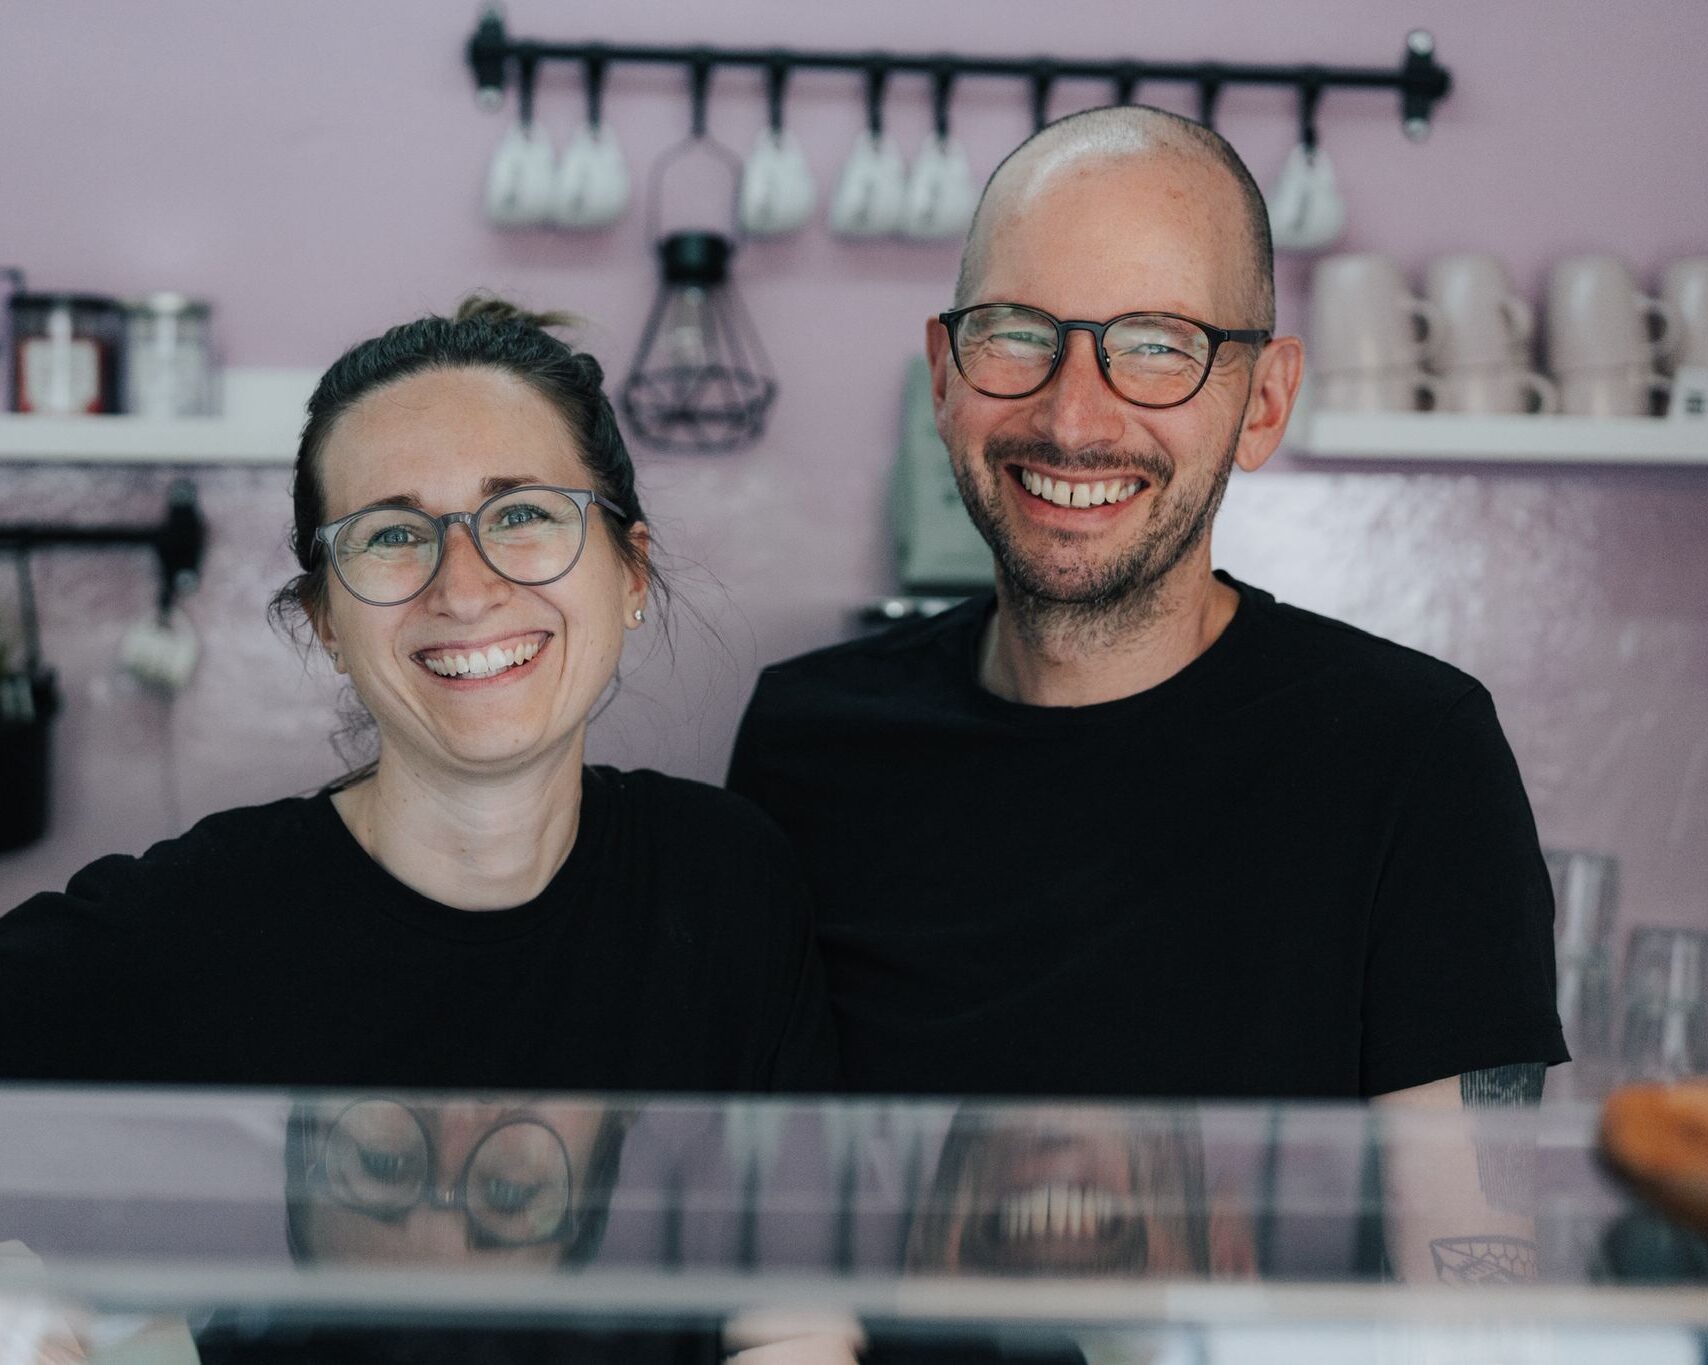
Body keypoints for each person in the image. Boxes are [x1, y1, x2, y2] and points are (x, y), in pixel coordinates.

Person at [727, 106, 1566, 1118]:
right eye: (1017, 336)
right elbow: (766, 1212)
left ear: (1262, 402)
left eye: (1160, 347)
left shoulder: (1414, 757)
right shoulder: (803, 740)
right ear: (947, 375)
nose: (1072, 417)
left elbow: (1463, 1264)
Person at [0, 298, 834, 1096]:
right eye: (393, 534)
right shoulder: (189, 927)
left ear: (631, 571)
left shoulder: (728, 885)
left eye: (522, 514)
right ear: (325, 619)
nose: (464, 590)